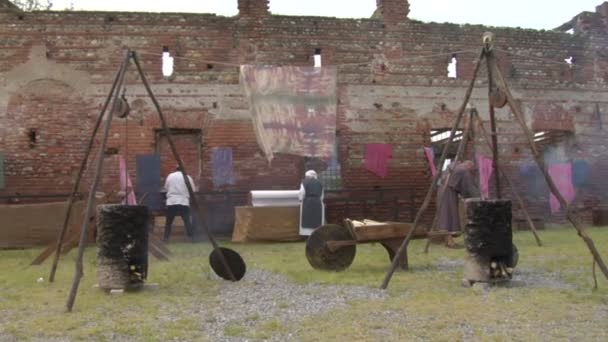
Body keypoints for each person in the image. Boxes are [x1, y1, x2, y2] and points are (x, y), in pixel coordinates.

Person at [437, 160, 478, 248]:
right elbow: (468, 187)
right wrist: (478, 198)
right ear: (469, 166)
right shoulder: (463, 170)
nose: (470, 172)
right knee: (449, 216)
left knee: (446, 215)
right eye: (471, 170)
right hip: (448, 193)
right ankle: (450, 242)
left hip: (441, 190)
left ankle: (448, 240)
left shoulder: (452, 165)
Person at [163, 166, 196, 242]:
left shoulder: (170, 176)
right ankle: (191, 238)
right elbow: (193, 190)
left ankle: (166, 238)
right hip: (183, 202)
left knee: (169, 222)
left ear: (176, 169)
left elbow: (166, 188)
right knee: (187, 221)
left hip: (172, 201)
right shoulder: (187, 177)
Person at [298, 170, 325, 236]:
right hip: (317, 202)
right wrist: (319, 200)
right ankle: (316, 234)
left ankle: (306, 235)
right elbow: (322, 195)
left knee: (307, 218)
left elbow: (302, 193)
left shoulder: (304, 182)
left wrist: (300, 199)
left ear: (307, 176)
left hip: (307, 202)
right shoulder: (320, 183)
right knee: (317, 218)